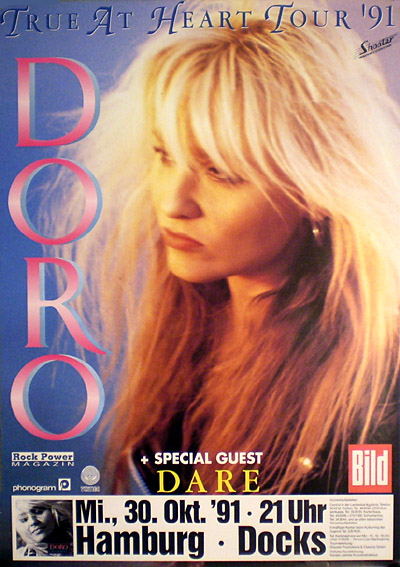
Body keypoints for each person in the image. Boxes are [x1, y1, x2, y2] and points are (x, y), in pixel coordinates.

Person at [52, 0, 400, 496]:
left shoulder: (378, 387)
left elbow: (370, 530)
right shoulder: (190, 322)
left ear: (317, 191)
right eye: (164, 154)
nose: (172, 203)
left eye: (220, 171)